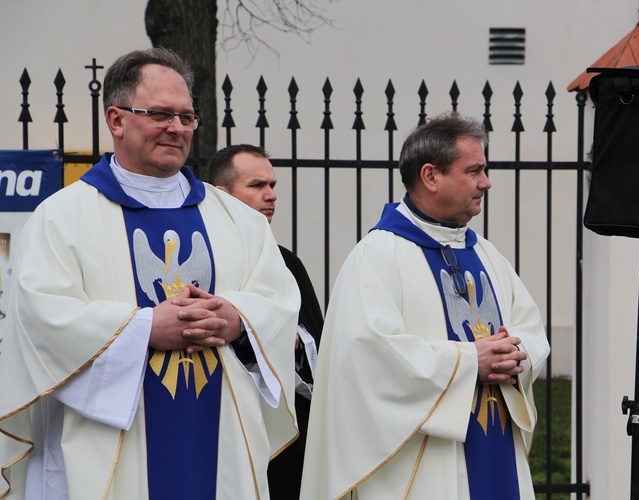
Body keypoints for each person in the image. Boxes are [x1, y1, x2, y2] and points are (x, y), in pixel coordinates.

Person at [0, 48, 300, 499]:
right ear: (116, 120)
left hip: (221, 449)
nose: (177, 128)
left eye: (186, 116)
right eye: (160, 113)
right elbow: (41, 318)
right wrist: (144, 328)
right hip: (112, 445)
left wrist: (237, 319)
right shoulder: (61, 217)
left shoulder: (240, 221)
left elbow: (278, 301)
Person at [300, 113, 550, 499]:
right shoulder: (377, 256)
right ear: (431, 176)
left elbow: (530, 329)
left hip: (494, 439)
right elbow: (369, 358)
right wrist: (471, 363)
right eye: (474, 171)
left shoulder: (485, 253)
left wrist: (514, 355)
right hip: (422, 466)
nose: (486, 182)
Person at [208, 144, 323, 499]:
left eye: (272, 185)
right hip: (222, 420)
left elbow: (319, 341)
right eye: (257, 186)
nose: (271, 196)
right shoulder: (206, 257)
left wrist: (296, 341)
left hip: (287, 433)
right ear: (222, 195)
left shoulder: (287, 262)